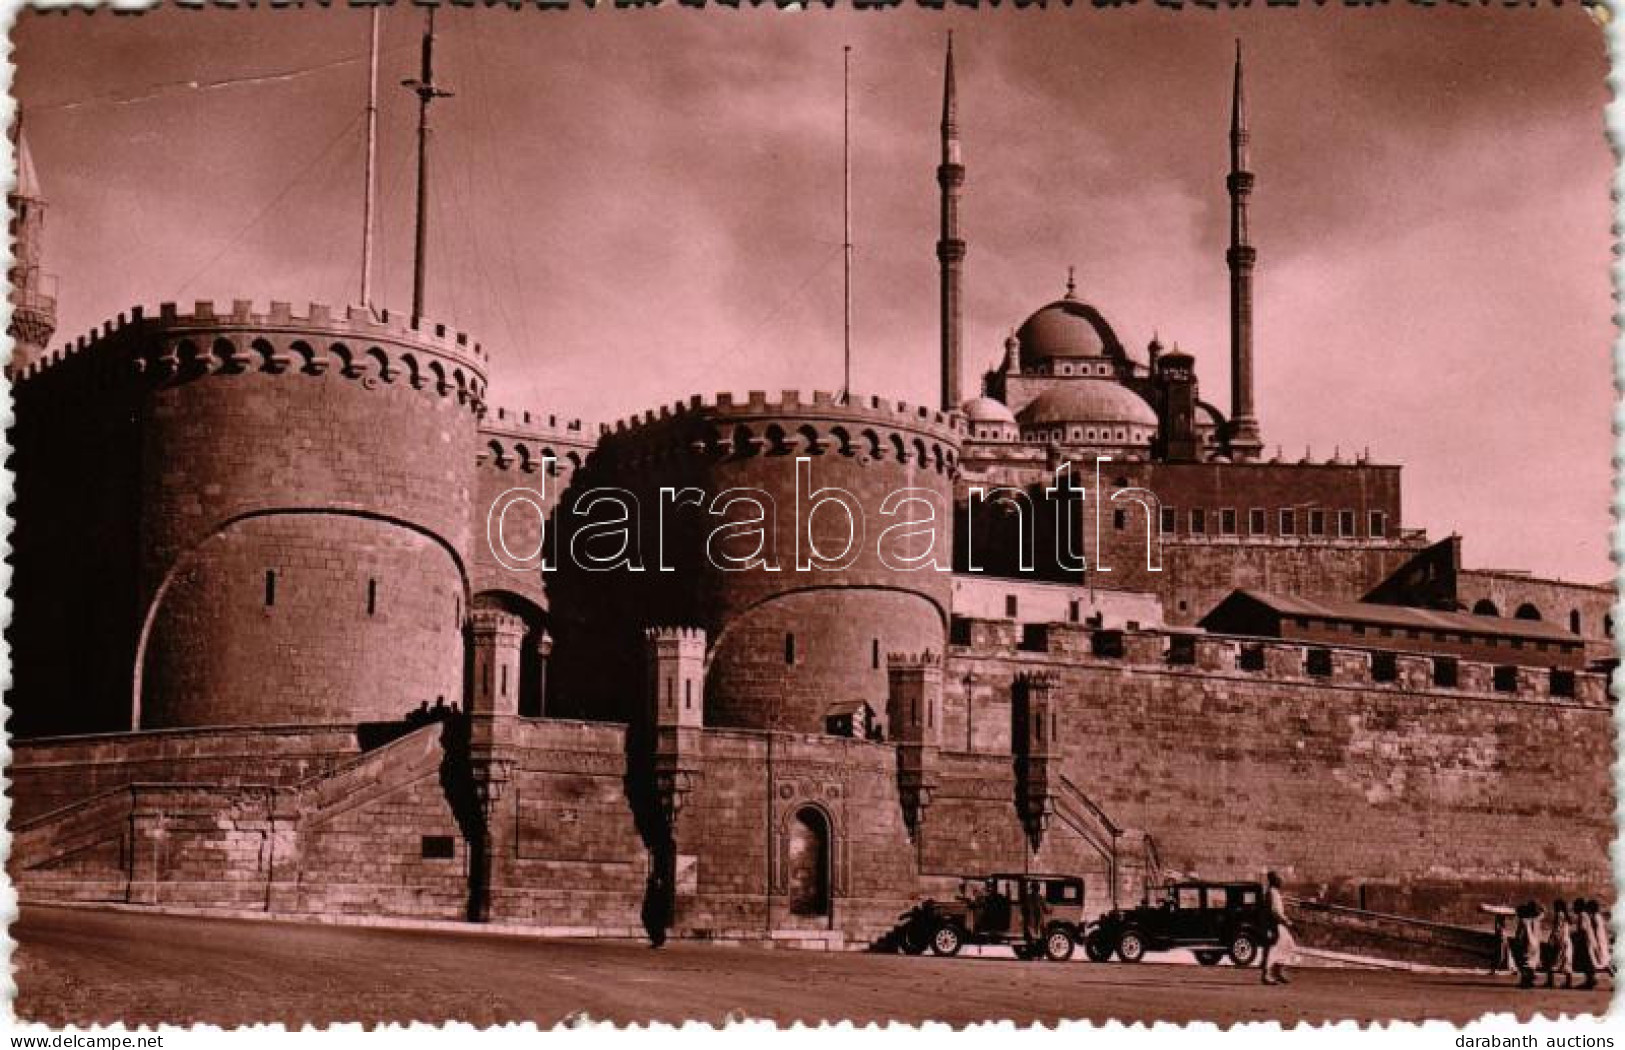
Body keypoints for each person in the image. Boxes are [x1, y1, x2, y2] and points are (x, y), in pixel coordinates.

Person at [1259, 871, 1295, 986]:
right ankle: (1266, 975)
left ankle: (1277, 971)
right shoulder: (1272, 893)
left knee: (1289, 945)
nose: (1282, 881)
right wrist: (1286, 921)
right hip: (1274, 924)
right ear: (1275, 880)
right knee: (1271, 949)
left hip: (1278, 924)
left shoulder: (1274, 892)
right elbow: (1275, 911)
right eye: (1280, 879)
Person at [1513, 901, 1544, 989]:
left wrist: (1517, 942)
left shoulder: (1524, 921)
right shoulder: (1536, 919)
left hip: (1526, 944)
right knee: (1531, 963)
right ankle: (1529, 980)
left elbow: (1521, 935)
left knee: (1524, 963)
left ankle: (1525, 981)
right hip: (1535, 944)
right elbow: (1543, 913)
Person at [1546, 899, 1573, 988]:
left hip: (1560, 940)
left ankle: (1550, 982)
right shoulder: (1566, 916)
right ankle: (1568, 982)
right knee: (1566, 961)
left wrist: (1551, 939)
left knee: (1553, 961)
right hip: (1566, 940)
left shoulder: (1559, 915)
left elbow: (1557, 929)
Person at [1573, 897, 1596, 989]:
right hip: (1588, 940)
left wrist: (1576, 935)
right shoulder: (1585, 914)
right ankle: (1590, 980)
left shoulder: (1582, 915)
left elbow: (1583, 928)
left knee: (1586, 961)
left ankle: (1590, 980)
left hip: (1585, 941)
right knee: (1587, 960)